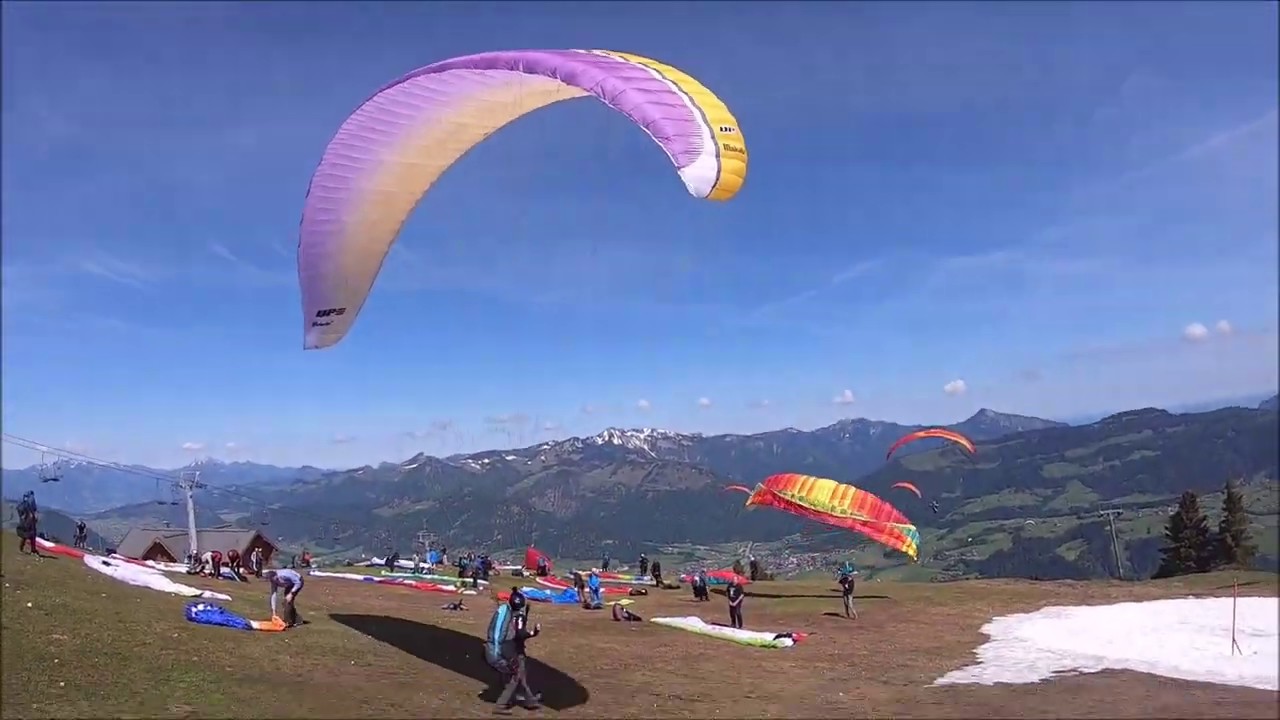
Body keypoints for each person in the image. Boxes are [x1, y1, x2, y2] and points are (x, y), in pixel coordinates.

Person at [485, 589, 542, 714]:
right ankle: (501, 704)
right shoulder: (508, 615)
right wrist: (533, 633)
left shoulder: (505, 612)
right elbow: (509, 635)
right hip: (503, 650)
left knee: (518, 674)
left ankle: (529, 699)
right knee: (516, 675)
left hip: (502, 649)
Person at [16, 491, 41, 557]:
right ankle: (32, 550)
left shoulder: (24, 503)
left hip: (25, 522)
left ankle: (23, 548)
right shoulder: (30, 502)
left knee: (27, 535)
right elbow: (32, 512)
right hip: (29, 522)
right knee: (31, 535)